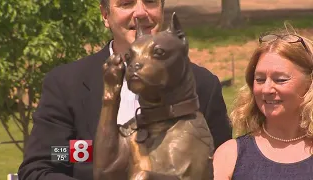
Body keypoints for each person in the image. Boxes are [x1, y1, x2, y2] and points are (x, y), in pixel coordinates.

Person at [18, 0, 232, 179]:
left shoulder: (203, 85)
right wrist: (88, 152)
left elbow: (223, 168)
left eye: (150, 1)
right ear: (105, 14)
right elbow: (42, 165)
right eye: (126, 3)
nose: (140, 12)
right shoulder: (67, 84)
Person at [213, 28, 313, 180]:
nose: (266, 89)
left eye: (280, 79)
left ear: (309, 83)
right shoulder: (229, 156)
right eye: (259, 79)